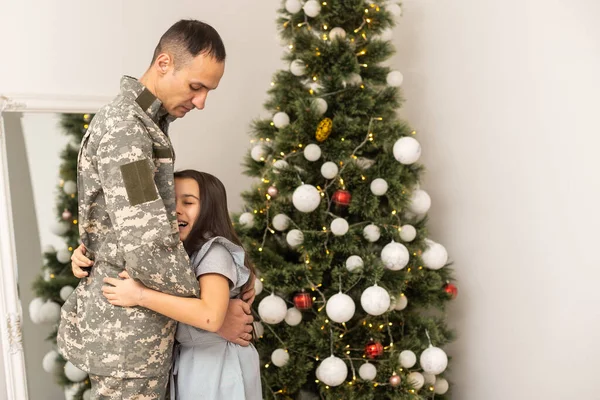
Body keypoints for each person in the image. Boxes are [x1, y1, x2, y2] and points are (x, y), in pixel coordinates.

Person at [58, 20, 254, 400]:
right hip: (129, 342)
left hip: (138, 337)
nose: (201, 102)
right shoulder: (129, 131)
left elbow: (115, 225)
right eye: (196, 87)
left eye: (208, 91)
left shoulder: (145, 125)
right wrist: (212, 311)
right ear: (164, 63)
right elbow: (146, 239)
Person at [73, 171, 262, 400]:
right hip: (194, 364)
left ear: (210, 210)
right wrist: (82, 259)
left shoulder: (214, 252)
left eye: (188, 202)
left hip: (217, 366)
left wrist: (140, 295)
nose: (176, 209)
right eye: (170, 201)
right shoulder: (174, 255)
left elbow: (210, 316)